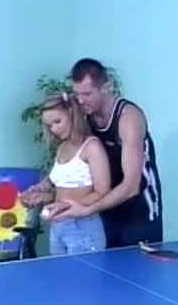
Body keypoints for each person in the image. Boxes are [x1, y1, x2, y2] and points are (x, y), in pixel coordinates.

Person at [49, 58, 163, 248]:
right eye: (76, 94)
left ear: (106, 87)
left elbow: (131, 186)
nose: (80, 100)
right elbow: (74, 163)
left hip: (139, 212)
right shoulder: (85, 116)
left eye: (87, 94)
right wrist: (45, 189)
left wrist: (87, 209)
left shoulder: (128, 118)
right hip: (105, 210)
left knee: (137, 266)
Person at [20, 92, 111, 255]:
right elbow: (58, 187)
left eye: (57, 122)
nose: (54, 129)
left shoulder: (92, 147)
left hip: (83, 228)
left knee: (81, 273)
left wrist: (65, 205)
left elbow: (102, 192)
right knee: (60, 272)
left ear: (72, 114)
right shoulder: (62, 147)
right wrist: (38, 193)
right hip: (58, 227)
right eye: (49, 126)